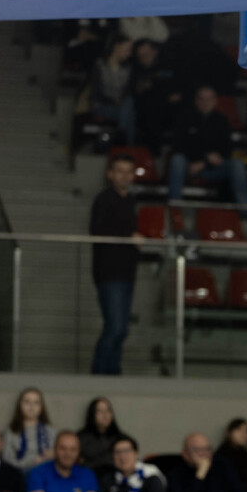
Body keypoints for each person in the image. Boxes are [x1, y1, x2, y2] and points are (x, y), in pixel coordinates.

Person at [166, 85, 247, 222]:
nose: (205, 102)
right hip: (189, 167)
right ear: (196, 101)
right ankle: (174, 209)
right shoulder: (185, 118)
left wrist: (204, 162)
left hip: (213, 168)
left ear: (215, 101)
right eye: (202, 99)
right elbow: (179, 146)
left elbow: (227, 149)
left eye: (209, 99)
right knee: (177, 160)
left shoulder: (222, 120)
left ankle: (245, 213)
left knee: (237, 164)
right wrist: (204, 158)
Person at [89, 155, 142, 376]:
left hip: (127, 272)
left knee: (121, 329)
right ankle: (100, 374)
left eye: (128, 171)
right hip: (109, 273)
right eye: (120, 171)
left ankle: (113, 372)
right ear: (110, 174)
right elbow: (97, 231)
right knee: (116, 327)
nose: (124, 176)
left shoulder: (131, 201)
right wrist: (129, 236)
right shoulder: (103, 199)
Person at [163, 432, 247, 492]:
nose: (204, 454)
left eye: (207, 449)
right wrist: (200, 475)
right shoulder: (175, 473)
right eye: (198, 450)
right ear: (185, 454)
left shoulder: (223, 466)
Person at [4, 387, 54, 473]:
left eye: (36, 402)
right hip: (19, 474)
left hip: (45, 474)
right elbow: (7, 461)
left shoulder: (51, 431)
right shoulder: (11, 431)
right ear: (20, 405)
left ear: (41, 407)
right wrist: (32, 463)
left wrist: (54, 454)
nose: (31, 406)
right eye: (27, 402)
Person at [77, 398, 122, 471]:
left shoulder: (120, 438)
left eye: (108, 410)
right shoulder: (81, 438)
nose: (105, 415)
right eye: (100, 411)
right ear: (92, 414)